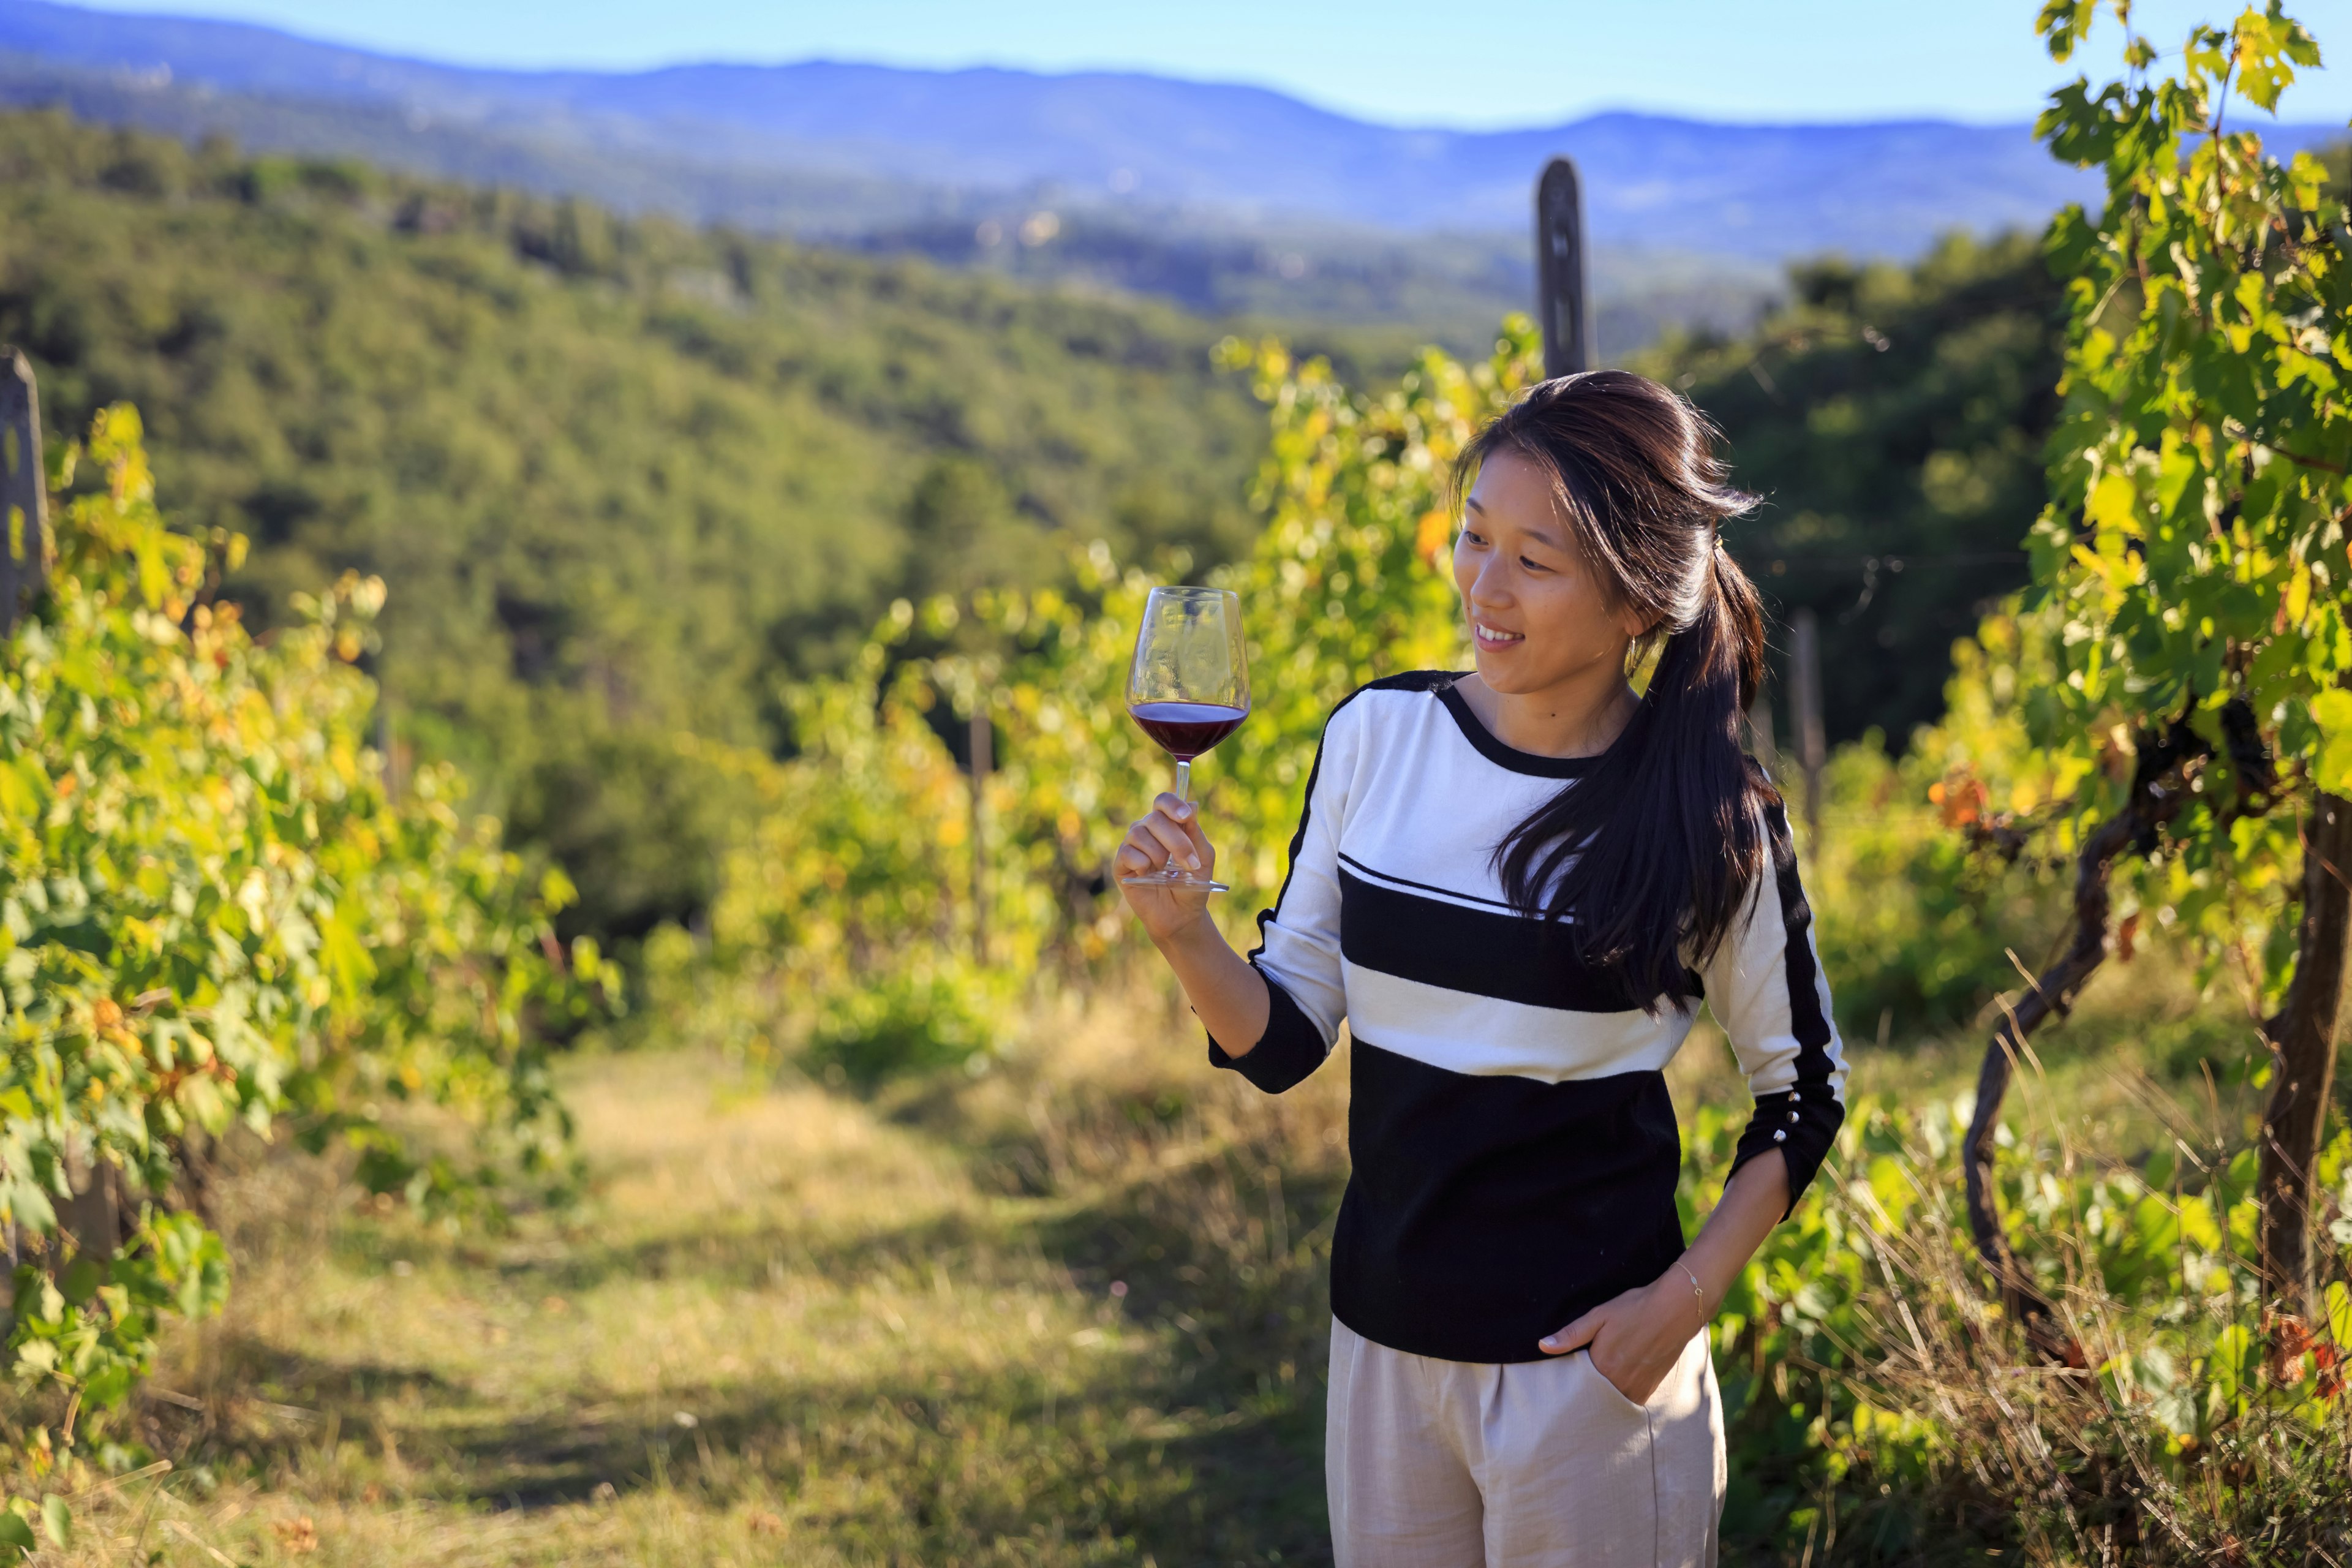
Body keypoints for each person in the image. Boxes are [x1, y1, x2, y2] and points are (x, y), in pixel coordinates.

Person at [1116, 369, 1847, 1567]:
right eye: (1474, 538)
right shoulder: (1375, 736)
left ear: (1633, 600)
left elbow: (1803, 1090)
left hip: (1593, 1387)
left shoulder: (1706, 816)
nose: (1483, 587)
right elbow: (1288, 1034)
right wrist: (1183, 934)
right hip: (1384, 1360)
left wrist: (1682, 1302)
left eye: (1534, 560)